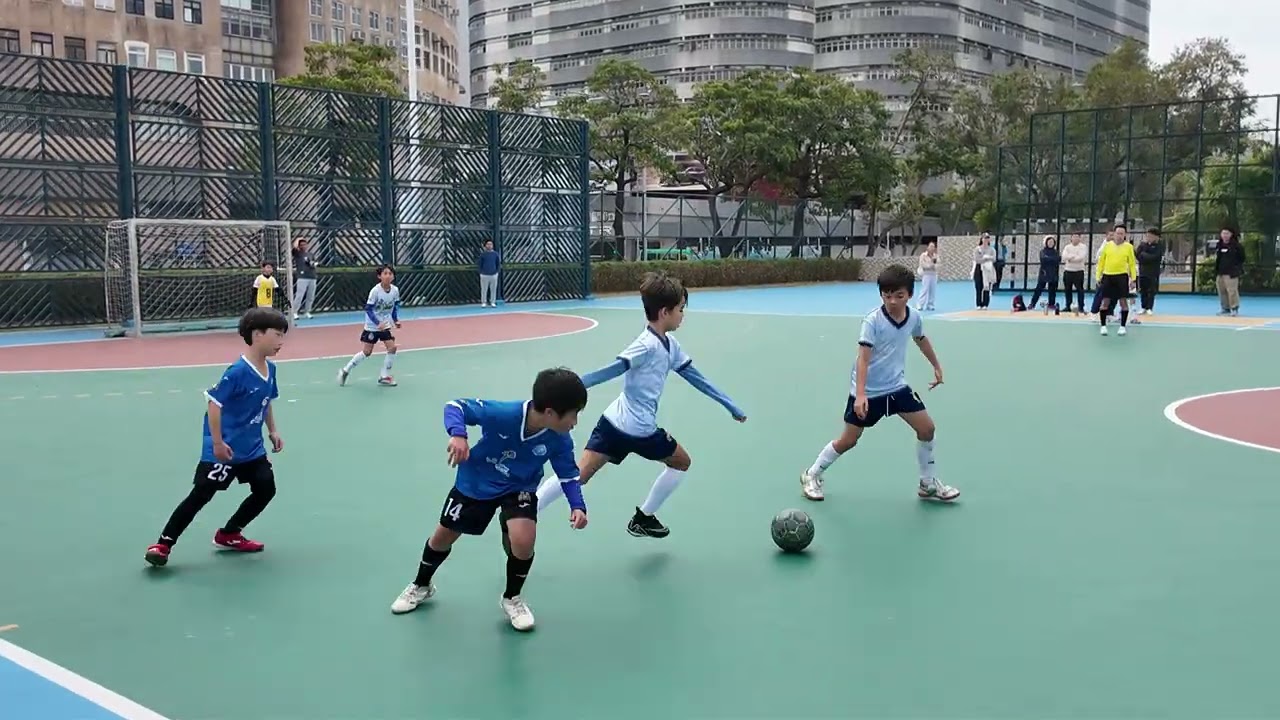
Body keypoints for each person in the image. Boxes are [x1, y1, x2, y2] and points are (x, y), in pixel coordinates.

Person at [535, 272, 746, 539]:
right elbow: (614, 369)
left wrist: (729, 405)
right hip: (641, 430)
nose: (683, 315)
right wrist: (573, 385)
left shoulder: (671, 346)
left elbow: (697, 378)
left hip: (612, 422)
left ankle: (527, 510)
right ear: (664, 312)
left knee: (578, 475)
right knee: (682, 462)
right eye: (681, 309)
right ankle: (643, 517)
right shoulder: (646, 345)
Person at [390, 368, 590, 631]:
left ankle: (512, 598)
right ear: (551, 412)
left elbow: (568, 474)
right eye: (574, 413)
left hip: (519, 486)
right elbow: (456, 406)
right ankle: (421, 585)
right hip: (477, 481)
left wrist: (577, 505)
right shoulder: (505, 414)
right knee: (442, 537)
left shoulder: (560, 439)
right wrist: (458, 434)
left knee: (523, 539)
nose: (575, 421)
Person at [143, 307, 289, 568]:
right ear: (257, 335)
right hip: (224, 448)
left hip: (252, 448)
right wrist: (218, 443)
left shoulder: (271, 369)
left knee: (266, 489)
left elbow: (266, 402)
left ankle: (230, 533)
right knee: (201, 495)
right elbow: (214, 404)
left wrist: (273, 430)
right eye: (277, 335)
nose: (281, 341)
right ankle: (163, 544)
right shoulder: (237, 372)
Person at [800, 265, 957, 503]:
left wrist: (936, 365)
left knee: (927, 429)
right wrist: (860, 395)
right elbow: (863, 359)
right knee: (848, 440)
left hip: (896, 387)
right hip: (868, 392)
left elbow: (920, 338)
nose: (892, 301)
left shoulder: (913, 316)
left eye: (899, 296)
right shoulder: (872, 321)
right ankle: (812, 474)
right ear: (881, 295)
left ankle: (927, 483)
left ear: (910, 295)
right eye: (887, 295)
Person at [338, 265, 401, 387]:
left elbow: (394, 307)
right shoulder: (375, 291)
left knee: (392, 348)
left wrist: (395, 320)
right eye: (385, 273)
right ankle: (345, 370)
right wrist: (378, 323)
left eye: (390, 273)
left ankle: (384, 376)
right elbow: (368, 309)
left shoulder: (395, 290)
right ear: (379, 276)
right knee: (367, 352)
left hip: (385, 325)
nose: (388, 276)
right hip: (372, 326)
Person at [1095, 223, 1137, 336]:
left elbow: (1132, 264)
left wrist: (1133, 279)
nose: (1119, 235)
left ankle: (1122, 326)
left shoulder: (1129, 247)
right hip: (1108, 276)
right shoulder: (1107, 246)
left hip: (1122, 277)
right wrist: (1098, 276)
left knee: (1123, 302)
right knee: (1105, 302)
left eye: (1121, 234)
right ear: (1114, 234)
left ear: (1125, 235)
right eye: (1117, 233)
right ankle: (1103, 326)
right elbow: (1101, 262)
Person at [1213, 227, 1245, 316]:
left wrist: (1235, 267)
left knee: (1232, 291)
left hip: (1231, 273)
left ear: (1231, 234)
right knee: (1221, 291)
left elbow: (1242, 258)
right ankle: (1225, 308)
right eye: (1223, 233)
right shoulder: (1219, 245)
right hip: (1220, 272)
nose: (1225, 235)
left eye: (1227, 233)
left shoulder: (1236, 246)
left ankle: (1234, 309)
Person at [1135, 227, 1164, 315]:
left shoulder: (1159, 247)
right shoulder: (1142, 245)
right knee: (1143, 290)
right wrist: (1144, 256)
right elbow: (1138, 255)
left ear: (1156, 237)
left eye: (1151, 236)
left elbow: (1155, 257)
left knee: (1151, 291)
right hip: (1143, 271)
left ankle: (1149, 308)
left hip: (1153, 272)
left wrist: (1144, 255)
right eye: (1147, 236)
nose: (1148, 237)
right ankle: (1143, 307)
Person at [1028, 235, 1061, 311]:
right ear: (1046, 243)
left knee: (1052, 290)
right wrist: (1052, 259)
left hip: (1053, 273)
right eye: (1049, 242)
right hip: (1044, 273)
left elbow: (1058, 260)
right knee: (1038, 289)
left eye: (1052, 242)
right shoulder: (1042, 251)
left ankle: (1051, 304)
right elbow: (1043, 259)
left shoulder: (1056, 252)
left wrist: (1050, 259)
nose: (1051, 243)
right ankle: (1032, 304)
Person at [1060, 233, 1088, 315]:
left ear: (1080, 238)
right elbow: (1064, 257)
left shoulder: (1083, 247)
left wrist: (1070, 258)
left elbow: (1080, 258)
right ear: (1071, 238)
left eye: (1077, 237)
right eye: (1074, 237)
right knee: (1067, 289)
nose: (1075, 238)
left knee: (1080, 289)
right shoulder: (1067, 247)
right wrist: (1072, 257)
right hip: (1068, 271)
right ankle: (1068, 306)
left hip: (1078, 271)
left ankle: (1081, 307)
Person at [291, 238, 319, 321]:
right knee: (299, 295)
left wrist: (313, 264)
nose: (303, 246)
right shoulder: (298, 254)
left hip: (312, 276)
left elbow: (314, 263)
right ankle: (294, 312)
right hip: (302, 277)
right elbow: (294, 248)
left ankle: (307, 311)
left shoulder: (311, 254)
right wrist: (299, 239)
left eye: (305, 244)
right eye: (301, 245)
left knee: (310, 295)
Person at [972, 234, 996, 309]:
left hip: (988, 268)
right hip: (979, 268)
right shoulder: (977, 249)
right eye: (984, 238)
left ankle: (985, 303)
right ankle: (978, 303)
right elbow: (977, 259)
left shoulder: (992, 249)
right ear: (981, 239)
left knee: (986, 286)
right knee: (978, 286)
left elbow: (994, 259)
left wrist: (988, 258)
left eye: (987, 238)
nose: (986, 240)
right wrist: (984, 259)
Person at [916, 241, 939, 311]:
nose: (932, 248)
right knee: (924, 289)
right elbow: (922, 265)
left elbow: (938, 265)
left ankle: (930, 304)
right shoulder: (923, 255)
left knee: (933, 290)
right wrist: (930, 265)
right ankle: (920, 304)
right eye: (930, 246)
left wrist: (934, 266)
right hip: (926, 274)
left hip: (934, 274)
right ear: (928, 247)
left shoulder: (936, 256)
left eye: (933, 247)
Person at [478, 239, 500, 307]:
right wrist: (481, 272)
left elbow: (498, 264)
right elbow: (480, 264)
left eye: (491, 244)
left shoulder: (495, 254)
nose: (489, 245)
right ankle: (484, 302)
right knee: (484, 289)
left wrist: (496, 272)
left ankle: (493, 302)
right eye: (488, 244)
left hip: (493, 274)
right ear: (485, 246)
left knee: (493, 289)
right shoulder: (483, 254)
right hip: (484, 275)